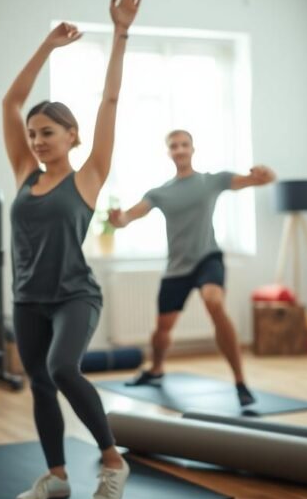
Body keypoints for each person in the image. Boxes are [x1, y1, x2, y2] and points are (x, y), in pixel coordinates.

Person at [3, 0, 141, 499]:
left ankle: (112, 461)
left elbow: (110, 99)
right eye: (34, 133)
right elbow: (11, 101)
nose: (37, 140)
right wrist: (47, 44)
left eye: (48, 133)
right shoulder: (23, 172)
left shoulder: (88, 178)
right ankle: (56, 475)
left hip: (74, 295)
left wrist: (120, 32)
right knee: (38, 382)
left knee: (62, 369)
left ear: (73, 137)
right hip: (27, 296)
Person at [109, 129, 275, 407]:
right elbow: (129, 216)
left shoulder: (211, 181)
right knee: (162, 329)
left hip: (208, 258)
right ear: (169, 152)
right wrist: (119, 219)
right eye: (174, 146)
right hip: (177, 267)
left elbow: (259, 180)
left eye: (184, 144)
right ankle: (156, 369)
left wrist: (264, 173)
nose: (180, 149)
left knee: (214, 300)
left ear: (193, 149)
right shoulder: (160, 193)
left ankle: (240, 381)